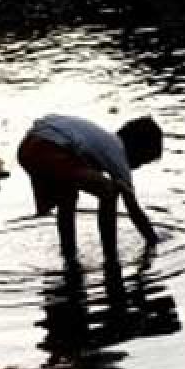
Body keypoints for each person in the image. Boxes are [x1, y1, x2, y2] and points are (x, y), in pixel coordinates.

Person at [17, 114, 162, 270]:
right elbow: (134, 210)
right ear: (137, 151)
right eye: (142, 162)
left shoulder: (102, 141)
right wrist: (153, 239)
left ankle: (69, 254)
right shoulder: (117, 153)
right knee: (109, 191)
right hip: (49, 149)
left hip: (29, 146)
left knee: (67, 196)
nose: (137, 168)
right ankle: (111, 257)